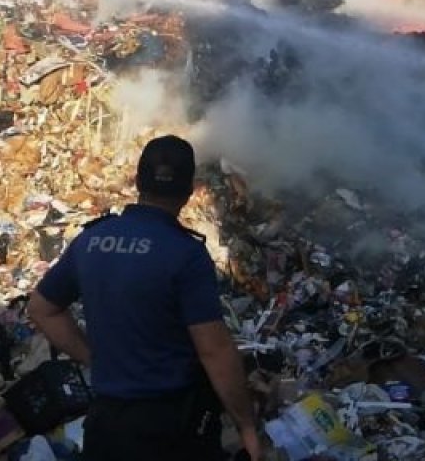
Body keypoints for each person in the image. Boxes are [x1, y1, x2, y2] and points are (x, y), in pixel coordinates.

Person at [27, 135, 262, 461]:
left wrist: (96, 359)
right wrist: (247, 427)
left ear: (138, 180)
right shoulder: (186, 254)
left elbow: (41, 309)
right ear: (189, 189)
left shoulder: (92, 240)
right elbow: (215, 350)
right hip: (169, 429)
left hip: (105, 425)